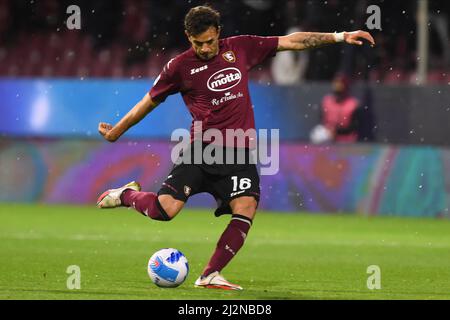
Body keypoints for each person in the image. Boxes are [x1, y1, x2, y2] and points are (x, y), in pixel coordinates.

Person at [96, 5, 375, 290]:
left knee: (246, 206)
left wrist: (339, 37)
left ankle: (209, 274)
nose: (205, 48)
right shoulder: (179, 67)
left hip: (240, 153)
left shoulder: (241, 48)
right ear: (188, 37)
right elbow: (149, 101)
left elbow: (292, 41)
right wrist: (119, 129)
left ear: (218, 32)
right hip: (202, 150)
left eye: (209, 41)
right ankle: (126, 194)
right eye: (197, 43)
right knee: (164, 211)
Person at [316, 74, 361, 143]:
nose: (338, 96)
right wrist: (329, 130)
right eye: (336, 93)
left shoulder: (353, 104)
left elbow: (354, 127)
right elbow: (321, 121)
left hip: (346, 139)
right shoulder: (326, 101)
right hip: (328, 137)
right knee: (318, 134)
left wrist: (337, 131)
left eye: (340, 93)